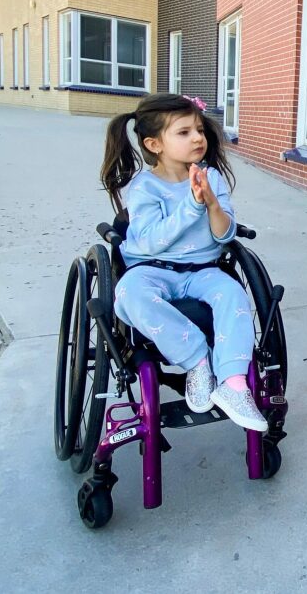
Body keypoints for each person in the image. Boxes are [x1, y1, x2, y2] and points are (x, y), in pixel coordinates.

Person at [100, 93, 267, 431]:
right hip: (152, 270)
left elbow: (223, 236)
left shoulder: (212, 179)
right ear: (154, 143)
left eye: (200, 130)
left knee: (233, 293)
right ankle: (197, 358)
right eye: (184, 132)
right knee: (129, 294)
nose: (197, 138)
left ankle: (234, 385)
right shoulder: (144, 187)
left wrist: (211, 205)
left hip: (204, 270)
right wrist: (191, 205)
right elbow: (150, 240)